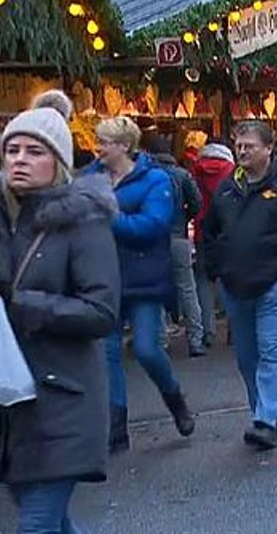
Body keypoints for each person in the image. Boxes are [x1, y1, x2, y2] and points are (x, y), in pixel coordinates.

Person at [0, 91, 121, 534]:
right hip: (13, 401)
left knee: (36, 524)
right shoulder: (6, 223)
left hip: (65, 397)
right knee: (53, 522)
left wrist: (27, 307)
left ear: (59, 162)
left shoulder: (83, 222)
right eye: (12, 150)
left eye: (34, 151)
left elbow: (102, 311)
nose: (20, 160)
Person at [201, 120, 277, 450]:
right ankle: (263, 409)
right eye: (238, 145)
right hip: (236, 286)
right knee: (246, 357)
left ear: (268, 149)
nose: (242, 151)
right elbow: (209, 230)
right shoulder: (228, 188)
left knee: (272, 353)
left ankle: (266, 419)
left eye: (249, 146)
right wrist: (217, 267)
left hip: (276, 287)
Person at [86, 116, 194, 452]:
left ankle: (175, 399)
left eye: (104, 142)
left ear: (123, 145)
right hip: (102, 276)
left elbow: (153, 226)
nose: (98, 148)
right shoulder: (90, 177)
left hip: (143, 277)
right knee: (107, 354)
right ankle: (115, 428)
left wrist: (109, 216)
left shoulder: (154, 179)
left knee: (147, 349)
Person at [145, 133, 207, 356]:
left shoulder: (145, 175)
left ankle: (161, 341)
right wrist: (185, 218)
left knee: (156, 291)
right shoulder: (182, 175)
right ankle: (196, 339)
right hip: (178, 236)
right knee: (188, 290)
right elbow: (197, 203)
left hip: (153, 240)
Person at [191, 142, 235, 347]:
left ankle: (207, 330)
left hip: (203, 230)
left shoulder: (196, 171)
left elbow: (193, 202)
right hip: (228, 230)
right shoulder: (233, 172)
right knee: (231, 280)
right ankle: (234, 329)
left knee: (203, 280)